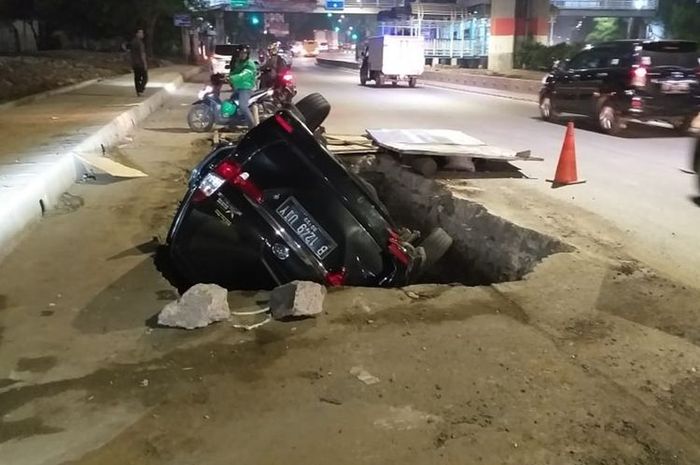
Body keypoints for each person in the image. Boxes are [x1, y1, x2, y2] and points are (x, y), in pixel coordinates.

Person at [228, 45, 258, 129]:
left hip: (246, 88)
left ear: (247, 54)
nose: (242, 55)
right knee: (231, 104)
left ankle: (252, 127)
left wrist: (232, 78)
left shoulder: (250, 64)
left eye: (244, 53)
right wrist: (225, 76)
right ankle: (233, 124)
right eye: (241, 53)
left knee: (243, 106)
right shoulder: (239, 62)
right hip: (239, 88)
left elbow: (243, 75)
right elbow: (235, 72)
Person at [130, 28, 148, 96]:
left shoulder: (133, 42)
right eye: (141, 33)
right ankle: (141, 88)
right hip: (140, 63)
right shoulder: (140, 43)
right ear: (137, 34)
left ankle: (138, 91)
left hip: (134, 63)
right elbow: (142, 54)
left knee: (137, 78)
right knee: (145, 77)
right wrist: (145, 63)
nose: (142, 34)